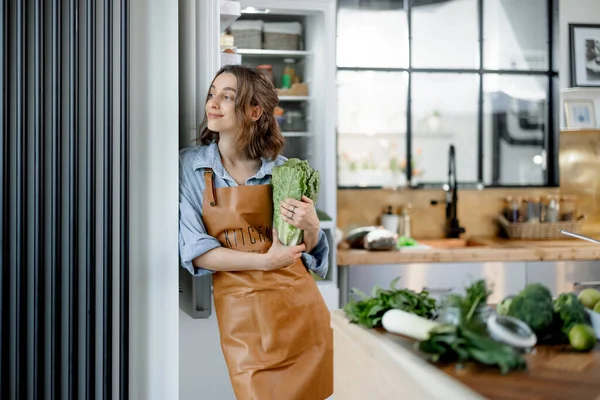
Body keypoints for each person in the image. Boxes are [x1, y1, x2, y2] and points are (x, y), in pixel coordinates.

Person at [179, 64, 333, 400]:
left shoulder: (283, 172)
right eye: (212, 93)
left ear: (254, 111)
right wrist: (266, 261)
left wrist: (311, 226)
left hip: (301, 312)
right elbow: (196, 249)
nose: (213, 103)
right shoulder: (190, 167)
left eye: (227, 96)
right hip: (244, 320)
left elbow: (308, 253)